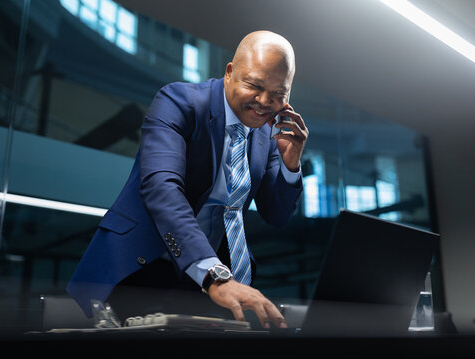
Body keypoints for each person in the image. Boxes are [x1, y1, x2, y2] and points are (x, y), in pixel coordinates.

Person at [67, 30, 308, 329]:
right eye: (254, 86)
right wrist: (214, 276)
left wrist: (291, 162)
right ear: (230, 72)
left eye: (278, 94)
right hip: (142, 268)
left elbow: (278, 214)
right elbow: (161, 189)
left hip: (208, 285)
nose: (264, 101)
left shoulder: (267, 134)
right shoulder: (179, 101)